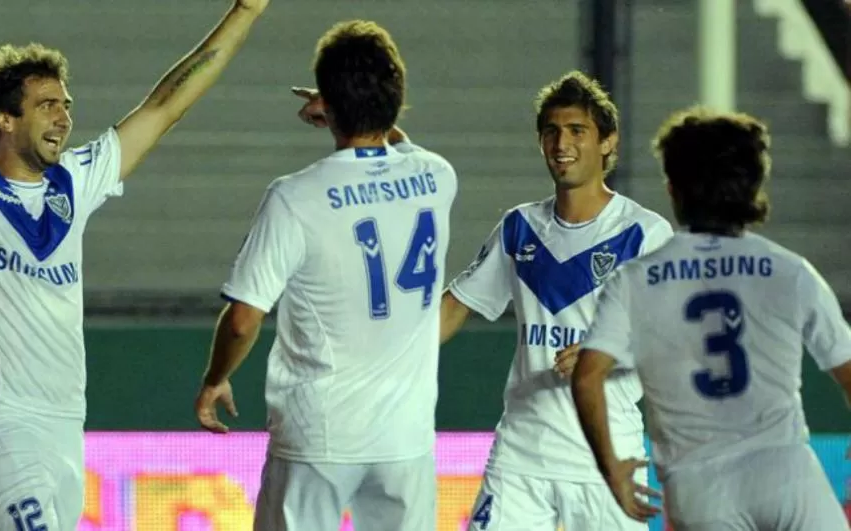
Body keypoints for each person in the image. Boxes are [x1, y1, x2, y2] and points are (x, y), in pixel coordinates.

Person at [0, 0, 269, 527]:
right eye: (46, 105)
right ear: (4, 118)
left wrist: (246, 10)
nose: (64, 117)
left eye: (66, 104)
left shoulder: (75, 181)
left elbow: (164, 106)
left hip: (65, 429)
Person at [193, 20, 457, 531]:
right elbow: (397, 143)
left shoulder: (295, 198)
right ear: (397, 99)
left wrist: (215, 378)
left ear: (327, 108)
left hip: (319, 437)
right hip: (405, 443)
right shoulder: (437, 177)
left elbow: (244, 318)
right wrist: (352, 102)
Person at [572, 106, 851, 530]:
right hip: (786, 471)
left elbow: (587, 376)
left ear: (672, 188)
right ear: (754, 185)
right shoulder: (789, 271)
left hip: (699, 488)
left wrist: (612, 469)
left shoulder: (634, 280)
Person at [438, 70, 674, 531]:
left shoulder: (645, 233)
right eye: (551, 132)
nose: (561, 143)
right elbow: (453, 308)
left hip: (606, 460)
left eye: (577, 131)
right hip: (522, 456)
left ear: (608, 143)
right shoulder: (519, 227)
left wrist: (605, 354)